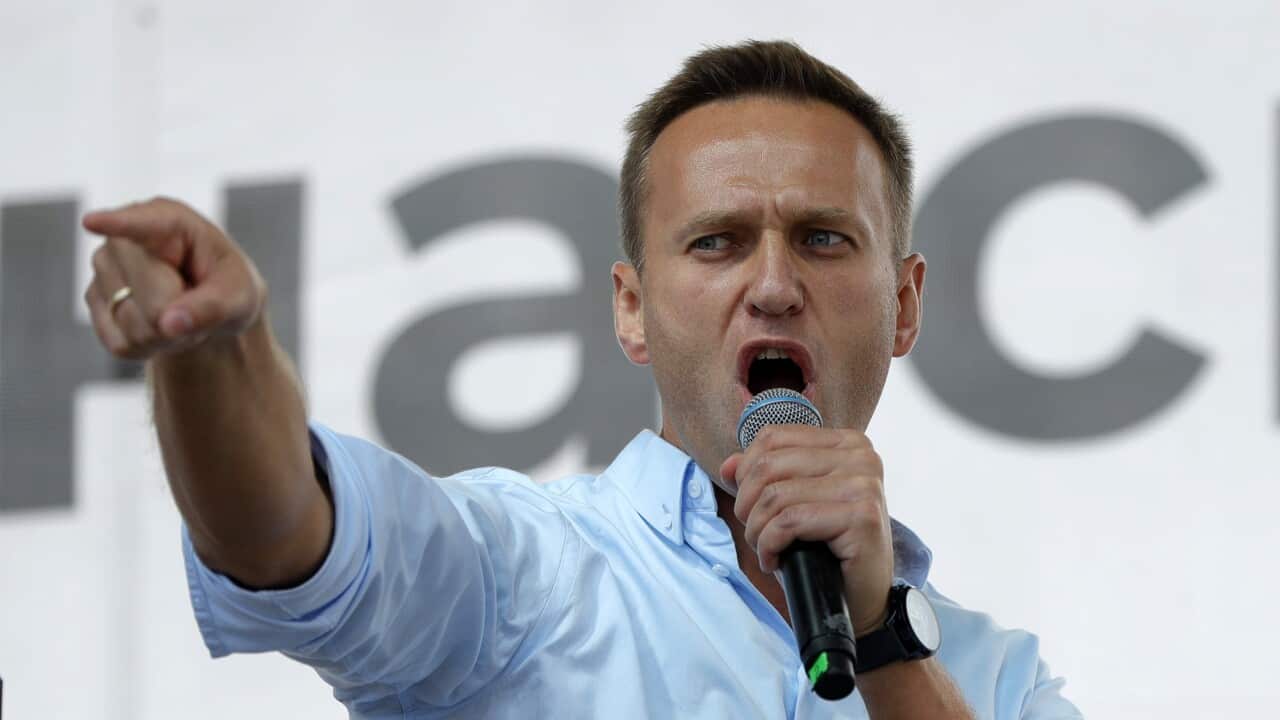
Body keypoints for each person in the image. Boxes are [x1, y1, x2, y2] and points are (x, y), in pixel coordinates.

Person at [81, 40, 1082, 719]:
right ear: (631, 307)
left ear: (903, 303)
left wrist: (878, 637)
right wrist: (212, 356)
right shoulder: (518, 576)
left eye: (822, 239)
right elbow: (288, 538)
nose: (772, 285)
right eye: (716, 242)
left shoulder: (997, 678)